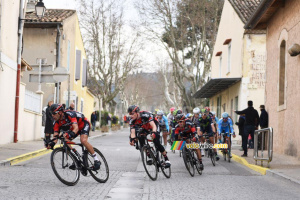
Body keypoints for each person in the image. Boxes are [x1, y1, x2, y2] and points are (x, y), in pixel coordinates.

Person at [46, 104, 100, 170]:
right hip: (74, 128)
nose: (52, 115)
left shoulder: (69, 114)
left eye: (54, 113)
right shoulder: (56, 122)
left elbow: (76, 128)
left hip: (83, 124)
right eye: (51, 113)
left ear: (60, 112)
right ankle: (76, 159)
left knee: (83, 140)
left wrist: (70, 134)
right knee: (65, 141)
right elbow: (55, 136)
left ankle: (96, 160)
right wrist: (52, 143)